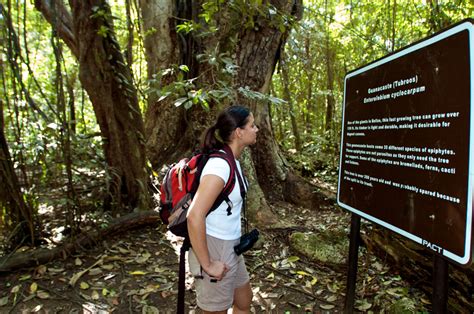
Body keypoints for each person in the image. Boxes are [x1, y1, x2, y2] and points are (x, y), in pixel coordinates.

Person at [187, 105, 258, 313]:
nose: (257, 129)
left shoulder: (232, 160)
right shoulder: (220, 166)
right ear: (239, 132)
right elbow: (194, 215)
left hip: (232, 244)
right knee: (215, 310)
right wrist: (208, 264)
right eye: (252, 126)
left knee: (244, 301)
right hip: (215, 245)